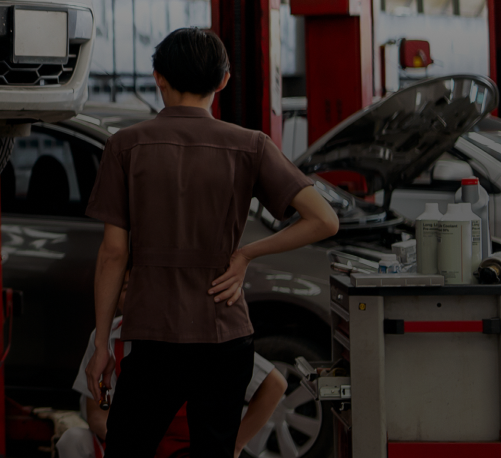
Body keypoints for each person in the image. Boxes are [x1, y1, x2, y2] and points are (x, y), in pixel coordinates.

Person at [84, 28, 339, 458]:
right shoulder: (251, 146)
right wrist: (246, 254)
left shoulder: (124, 146)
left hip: (152, 336)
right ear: (223, 81)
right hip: (224, 336)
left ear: (157, 77)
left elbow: (113, 252)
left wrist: (101, 347)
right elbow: (324, 220)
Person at [55, 275, 287, 458]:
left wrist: (235, 445)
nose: (137, 295)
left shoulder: (197, 334)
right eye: (126, 288)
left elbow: (274, 384)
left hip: (186, 447)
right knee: (72, 440)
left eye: (143, 285)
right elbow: (98, 411)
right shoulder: (105, 340)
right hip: (127, 441)